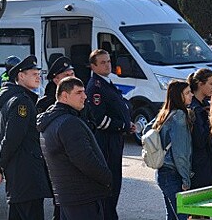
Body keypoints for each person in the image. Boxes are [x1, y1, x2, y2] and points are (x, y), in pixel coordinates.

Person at [37, 76, 112, 220]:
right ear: (64, 96)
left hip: (69, 200)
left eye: (84, 92)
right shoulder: (69, 123)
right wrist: (107, 177)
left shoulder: (52, 121)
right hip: (83, 200)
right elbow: (85, 160)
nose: (85, 96)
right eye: (79, 92)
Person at [0, 55, 52, 220]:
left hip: (20, 175)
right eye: (33, 73)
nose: (38, 76)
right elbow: (11, 139)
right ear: (21, 76)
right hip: (26, 175)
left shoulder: (16, 97)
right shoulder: (22, 102)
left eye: (39, 73)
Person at [86, 49, 136, 220]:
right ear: (93, 66)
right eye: (103, 62)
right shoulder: (96, 87)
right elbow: (100, 120)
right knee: (109, 186)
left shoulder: (107, 83)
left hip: (115, 139)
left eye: (108, 61)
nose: (108, 65)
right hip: (106, 142)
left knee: (115, 185)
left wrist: (127, 124)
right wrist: (122, 125)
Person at [144, 80, 193, 220]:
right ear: (179, 96)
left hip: (162, 172)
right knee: (181, 216)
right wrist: (186, 179)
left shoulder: (165, 112)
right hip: (173, 174)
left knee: (171, 215)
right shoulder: (179, 117)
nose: (191, 95)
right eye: (187, 93)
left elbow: (147, 129)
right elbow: (180, 153)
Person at [187, 68, 212, 188]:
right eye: (211, 84)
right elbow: (200, 140)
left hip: (208, 161)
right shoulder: (194, 109)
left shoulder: (204, 105)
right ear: (200, 84)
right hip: (199, 163)